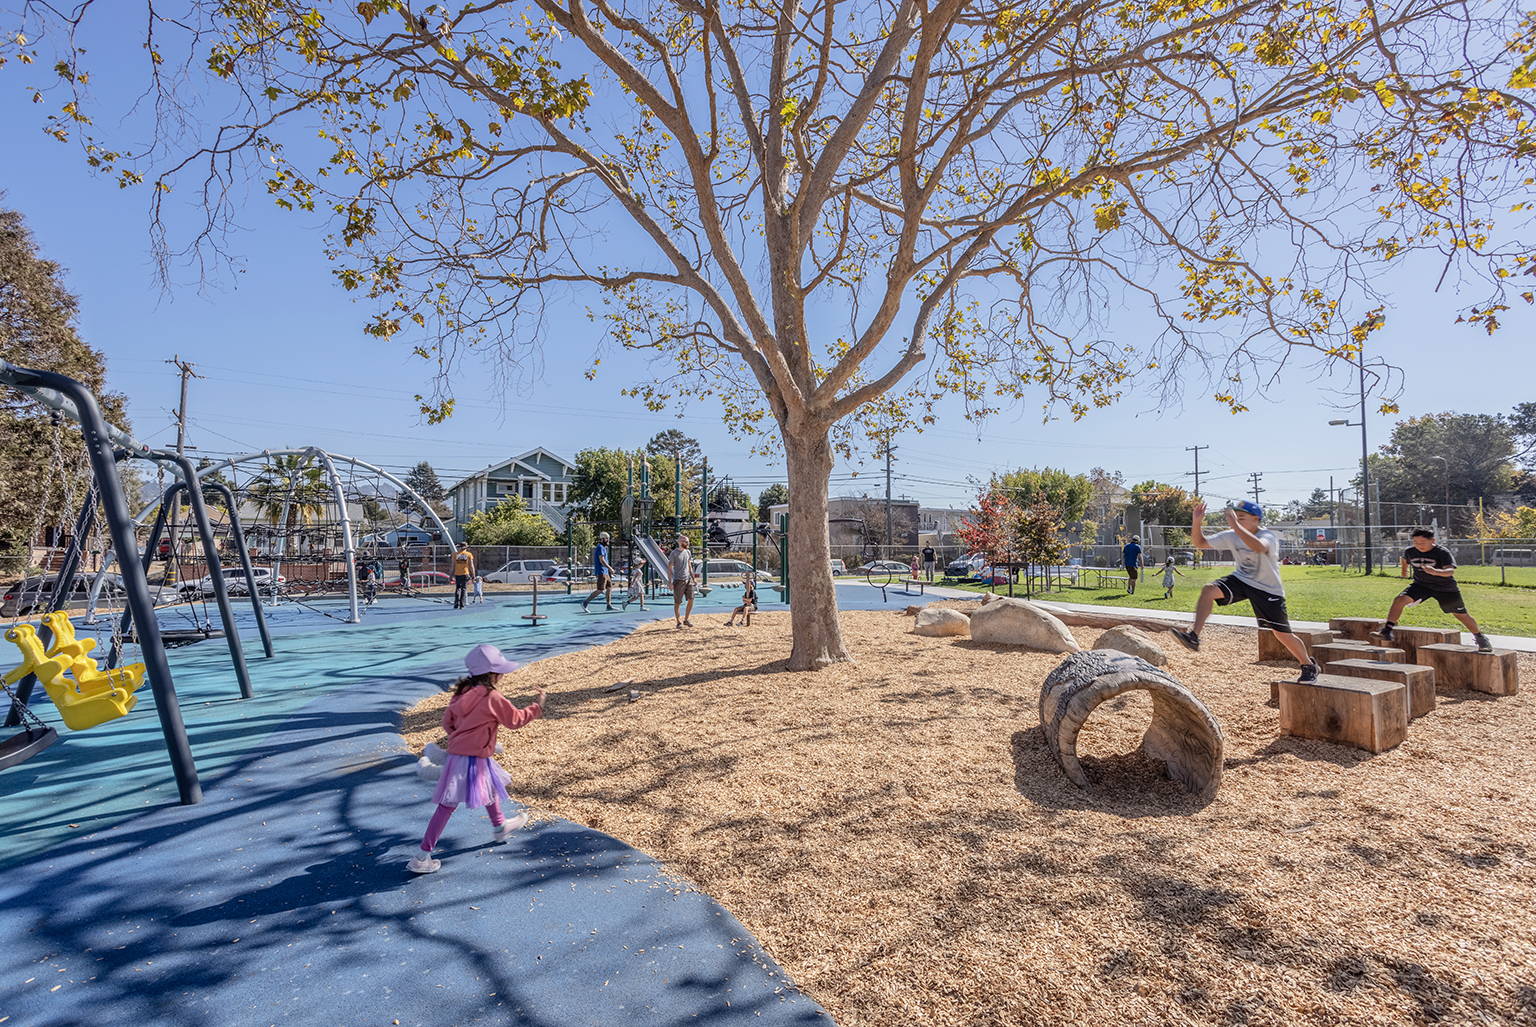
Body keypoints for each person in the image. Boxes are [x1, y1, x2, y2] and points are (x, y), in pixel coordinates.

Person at [408, 644, 544, 874]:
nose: (502, 675)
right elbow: (515, 721)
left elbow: (447, 724)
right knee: (447, 806)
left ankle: (500, 826)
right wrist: (537, 706)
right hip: (474, 757)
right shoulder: (493, 697)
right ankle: (422, 856)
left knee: (488, 787)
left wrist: (462, 738)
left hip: (459, 756)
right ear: (492, 674)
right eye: (500, 670)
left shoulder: (461, 693)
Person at [1173, 501, 1320, 682]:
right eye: (1235, 517)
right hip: (1242, 580)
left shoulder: (1269, 535)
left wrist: (1234, 524)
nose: (1236, 520)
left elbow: (1259, 547)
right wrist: (1196, 522)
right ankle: (1194, 636)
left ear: (1256, 519)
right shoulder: (1231, 535)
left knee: (1282, 634)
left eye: (1241, 517)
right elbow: (1200, 543)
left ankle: (1308, 665)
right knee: (1209, 590)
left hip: (1268, 589)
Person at [1375, 528, 1493, 652]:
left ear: (1433, 540)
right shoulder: (1410, 551)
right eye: (1416, 542)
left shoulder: (1442, 552)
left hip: (1445, 588)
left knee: (1461, 615)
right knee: (1399, 600)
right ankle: (1387, 631)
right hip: (1422, 585)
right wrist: (1404, 570)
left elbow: (1450, 571)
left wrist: (1436, 572)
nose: (1419, 546)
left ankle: (1480, 638)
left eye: (1423, 543)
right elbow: (1405, 560)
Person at [582, 531, 615, 612]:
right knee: (600, 589)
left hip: (605, 572)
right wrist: (610, 568)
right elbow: (602, 560)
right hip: (601, 571)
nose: (608, 541)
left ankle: (608, 605)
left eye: (608, 539)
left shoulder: (603, 547)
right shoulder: (600, 547)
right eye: (607, 539)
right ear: (602, 539)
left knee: (609, 587)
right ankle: (585, 603)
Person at [669, 534, 697, 628]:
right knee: (678, 602)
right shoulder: (674, 553)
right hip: (678, 580)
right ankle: (678, 622)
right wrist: (670, 583)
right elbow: (669, 568)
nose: (688, 543)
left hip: (688, 579)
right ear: (680, 542)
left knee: (691, 599)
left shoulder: (688, 552)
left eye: (688, 541)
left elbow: (689, 566)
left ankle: (686, 619)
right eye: (686, 542)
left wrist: (693, 579)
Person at [451, 543, 476, 609]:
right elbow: (471, 566)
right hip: (465, 573)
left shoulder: (455, 555)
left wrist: (450, 575)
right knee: (463, 589)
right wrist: (473, 575)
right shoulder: (469, 555)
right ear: (466, 548)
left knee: (457, 588)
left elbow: (452, 566)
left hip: (457, 574)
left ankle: (456, 603)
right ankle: (462, 604)